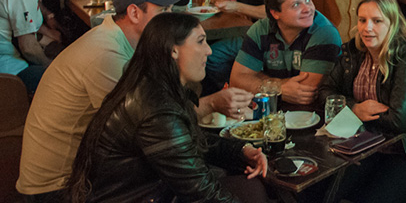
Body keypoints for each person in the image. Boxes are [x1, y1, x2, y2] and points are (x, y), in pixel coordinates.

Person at [17, 0, 250, 201]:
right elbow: (158, 125)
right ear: (134, 13)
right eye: (163, 11)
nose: (171, 18)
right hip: (63, 187)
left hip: (88, 177)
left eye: (171, 10)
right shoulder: (107, 55)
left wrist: (238, 151)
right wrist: (211, 104)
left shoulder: (121, 43)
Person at [67, 12, 269, 203]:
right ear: (173, 50)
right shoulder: (156, 110)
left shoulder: (153, 85)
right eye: (200, 41)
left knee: (250, 187)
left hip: (147, 191)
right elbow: (200, 192)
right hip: (132, 197)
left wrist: (241, 151)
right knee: (251, 191)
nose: (209, 50)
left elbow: (188, 142)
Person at [318, 0, 406, 202]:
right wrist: (354, 108)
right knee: (325, 191)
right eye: (362, 20)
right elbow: (325, 91)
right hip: (371, 142)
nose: (367, 28)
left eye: (377, 21)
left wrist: (356, 114)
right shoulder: (354, 51)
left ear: (392, 23)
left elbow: (400, 120)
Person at [230, 0, 342, 107]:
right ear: (275, 13)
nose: (307, 9)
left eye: (308, 0)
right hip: (273, 110)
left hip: (311, 113)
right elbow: (236, 81)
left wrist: (259, 80)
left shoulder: (324, 33)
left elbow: (305, 93)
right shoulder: (260, 29)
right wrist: (279, 88)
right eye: (296, 5)